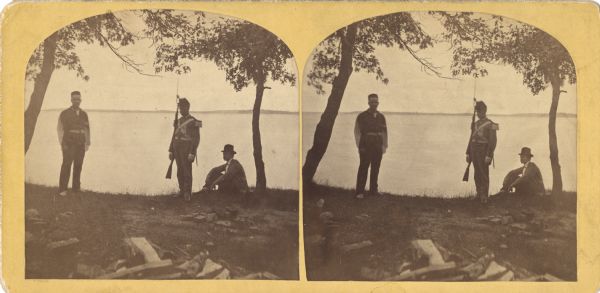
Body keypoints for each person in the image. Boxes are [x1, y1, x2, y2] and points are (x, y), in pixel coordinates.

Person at [354, 93, 388, 199]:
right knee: (363, 167)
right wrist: (359, 146)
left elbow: (384, 132)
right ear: (368, 102)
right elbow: (357, 132)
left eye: (376, 102)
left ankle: (373, 190)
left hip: (378, 144)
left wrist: (384, 145)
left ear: (378, 103)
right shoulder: (362, 116)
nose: (374, 104)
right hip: (366, 144)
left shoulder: (381, 116)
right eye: (372, 101)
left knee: (376, 168)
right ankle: (360, 191)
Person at [57, 91, 90, 196]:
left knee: (78, 165)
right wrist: (62, 143)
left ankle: (76, 188)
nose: (77, 101)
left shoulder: (84, 114)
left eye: (78, 99)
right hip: (68, 143)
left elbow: (87, 129)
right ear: (71, 100)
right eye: (74, 99)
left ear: (81, 100)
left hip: (81, 143)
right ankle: (63, 189)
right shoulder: (64, 113)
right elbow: (59, 129)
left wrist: (87, 143)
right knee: (66, 165)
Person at [168, 98, 201, 201]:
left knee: (187, 171)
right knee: (179, 171)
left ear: (187, 107)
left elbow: (196, 138)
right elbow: (174, 135)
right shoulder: (178, 121)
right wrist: (170, 149)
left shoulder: (194, 121)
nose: (181, 110)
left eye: (182, 108)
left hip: (186, 149)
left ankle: (187, 193)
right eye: (179, 108)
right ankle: (182, 191)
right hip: (177, 148)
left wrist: (192, 152)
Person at [466, 101, 498, 203]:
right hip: (474, 151)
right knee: (476, 173)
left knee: (483, 174)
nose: (478, 114)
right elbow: (471, 139)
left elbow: (493, 141)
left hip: (484, 152)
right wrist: (468, 153)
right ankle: (479, 194)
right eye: (477, 111)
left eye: (480, 111)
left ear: (484, 111)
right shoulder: (475, 124)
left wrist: (489, 155)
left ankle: (484, 196)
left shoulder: (491, 124)